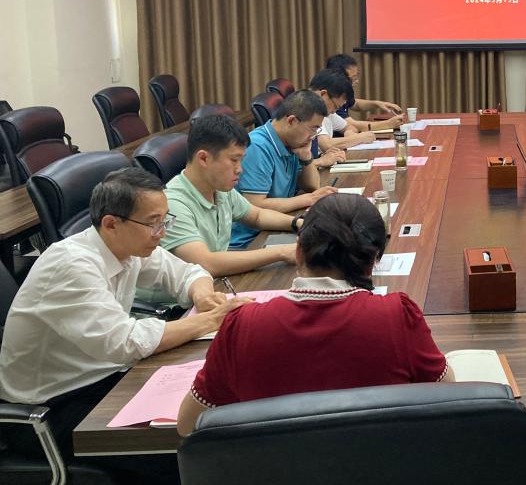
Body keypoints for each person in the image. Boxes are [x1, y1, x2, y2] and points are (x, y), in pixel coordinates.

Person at [0, 168, 248, 457]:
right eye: (153, 224)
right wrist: (211, 319)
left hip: (103, 376)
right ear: (111, 224)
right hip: (52, 408)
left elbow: (189, 273)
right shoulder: (71, 266)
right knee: (190, 447)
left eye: (165, 220)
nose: (162, 233)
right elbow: (125, 342)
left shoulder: (127, 246)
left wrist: (203, 295)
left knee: (211, 408)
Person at [177, 193, 452, 435]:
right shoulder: (397, 316)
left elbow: (189, 424)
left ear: (299, 251)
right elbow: (447, 394)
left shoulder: (242, 326)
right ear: (373, 262)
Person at [159, 114, 301, 276]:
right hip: (188, 290)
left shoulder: (219, 188)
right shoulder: (171, 205)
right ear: (203, 158)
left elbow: (257, 216)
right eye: (234, 160)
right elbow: (206, 263)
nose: (240, 169)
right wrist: (281, 252)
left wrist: (298, 223)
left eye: (241, 160)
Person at [229, 90, 338, 249]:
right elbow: (255, 205)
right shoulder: (257, 147)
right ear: (292, 121)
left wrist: (306, 157)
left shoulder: (291, 142)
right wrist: (308, 199)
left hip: (277, 224)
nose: (313, 136)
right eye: (313, 129)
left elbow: (312, 186)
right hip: (250, 240)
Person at [324, 53, 405, 133]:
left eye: (357, 76)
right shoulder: (332, 99)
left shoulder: (343, 92)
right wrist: (388, 124)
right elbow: (352, 124)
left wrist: (377, 104)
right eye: (353, 77)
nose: (357, 81)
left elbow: (355, 104)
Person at [308, 68, 375, 156]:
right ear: (323, 94)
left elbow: (349, 126)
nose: (334, 112)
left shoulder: (327, 111)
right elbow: (326, 145)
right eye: (336, 106)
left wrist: (349, 133)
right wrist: (360, 138)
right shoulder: (309, 110)